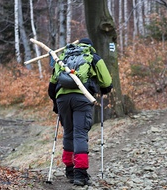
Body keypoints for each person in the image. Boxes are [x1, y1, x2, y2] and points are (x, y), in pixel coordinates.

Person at [48, 38, 112, 186]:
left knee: (69, 132)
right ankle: (80, 174)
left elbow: (52, 85)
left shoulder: (64, 57)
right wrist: (101, 88)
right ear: (90, 46)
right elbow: (107, 83)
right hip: (82, 98)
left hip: (62, 98)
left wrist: (56, 100)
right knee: (80, 134)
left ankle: (69, 169)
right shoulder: (93, 57)